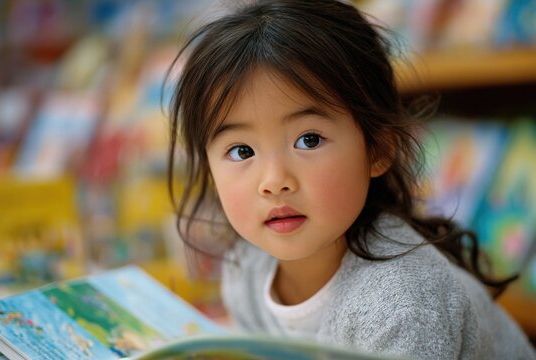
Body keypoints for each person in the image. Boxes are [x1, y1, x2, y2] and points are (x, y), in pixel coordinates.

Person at [165, 0, 536, 359]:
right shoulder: (246, 269)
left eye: (308, 140)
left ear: (377, 150)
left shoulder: (401, 302)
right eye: (242, 151)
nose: (274, 181)